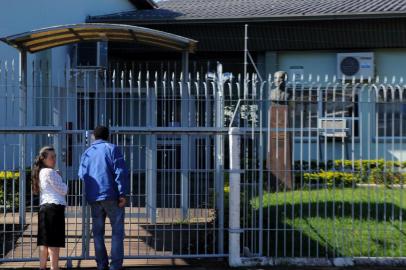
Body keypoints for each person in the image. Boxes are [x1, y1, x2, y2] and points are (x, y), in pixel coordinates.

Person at [78, 126, 129, 270]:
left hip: (94, 197)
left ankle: (101, 264)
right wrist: (122, 194)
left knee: (98, 233)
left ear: (94, 136)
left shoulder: (87, 153)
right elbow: (120, 173)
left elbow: (82, 175)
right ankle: (115, 266)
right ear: (108, 135)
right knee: (117, 232)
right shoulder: (112, 149)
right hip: (111, 195)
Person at [32, 146, 68, 270]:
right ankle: (54, 267)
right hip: (54, 208)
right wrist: (60, 178)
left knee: (44, 241)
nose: (54, 159)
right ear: (43, 159)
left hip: (44, 208)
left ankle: (42, 267)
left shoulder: (40, 172)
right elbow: (63, 190)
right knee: (54, 241)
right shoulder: (50, 172)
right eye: (51, 157)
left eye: (55, 156)